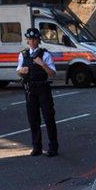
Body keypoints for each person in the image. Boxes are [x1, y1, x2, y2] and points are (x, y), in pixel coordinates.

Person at [17, 28, 59, 157]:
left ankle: (53, 147)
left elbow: (52, 73)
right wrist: (21, 71)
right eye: (30, 39)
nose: (32, 42)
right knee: (33, 119)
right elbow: (18, 70)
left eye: (34, 39)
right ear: (27, 40)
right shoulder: (23, 55)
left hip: (43, 89)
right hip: (30, 89)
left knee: (48, 118)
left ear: (38, 40)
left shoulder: (45, 54)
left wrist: (42, 65)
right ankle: (37, 147)